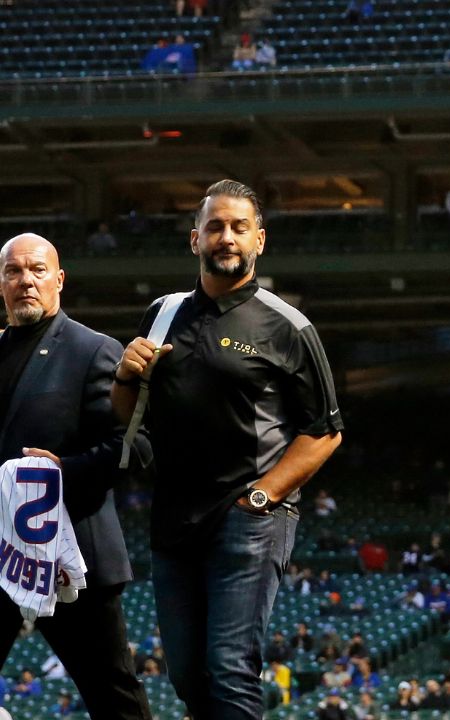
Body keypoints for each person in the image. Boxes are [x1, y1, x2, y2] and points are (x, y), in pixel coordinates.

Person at [111, 179, 344, 719]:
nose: (227, 237)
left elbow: (326, 431)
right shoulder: (162, 314)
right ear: (195, 239)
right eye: (215, 226)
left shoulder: (289, 326)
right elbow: (130, 416)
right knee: (187, 674)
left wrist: (262, 496)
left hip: (249, 517)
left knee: (229, 667)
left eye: (240, 227)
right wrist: (124, 376)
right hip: (173, 516)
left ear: (259, 239)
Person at [0, 234, 153, 719]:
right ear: (1, 284)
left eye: (37, 270)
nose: (26, 280)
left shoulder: (93, 350)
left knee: (114, 700)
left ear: (59, 280)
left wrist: (64, 471)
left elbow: (136, 445)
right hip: (1, 553)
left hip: (71, 557)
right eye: (13, 271)